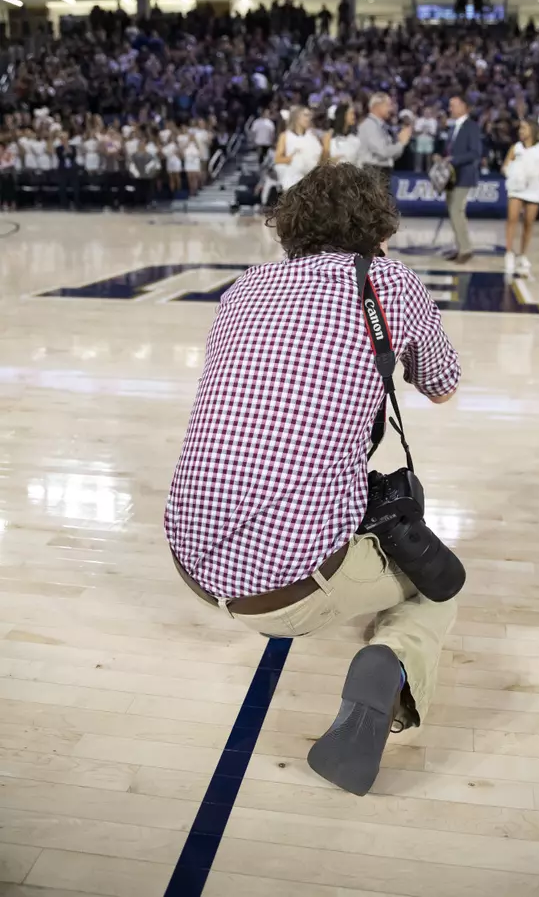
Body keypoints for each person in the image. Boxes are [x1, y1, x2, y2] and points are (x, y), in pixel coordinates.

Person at [166, 164, 461, 797]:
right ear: (377, 225)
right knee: (439, 582)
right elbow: (442, 386)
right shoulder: (390, 282)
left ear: (292, 226)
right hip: (286, 588)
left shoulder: (243, 289)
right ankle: (392, 663)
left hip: (191, 562)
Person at [502, 119, 539, 277]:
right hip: (516, 188)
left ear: (533, 130)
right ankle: (509, 253)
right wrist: (511, 170)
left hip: (533, 188)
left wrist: (537, 172)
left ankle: (523, 255)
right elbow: (504, 166)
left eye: (524, 128)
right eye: (520, 129)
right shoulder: (515, 148)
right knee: (512, 219)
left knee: (529, 222)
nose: (521, 131)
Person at [439, 93, 482, 265]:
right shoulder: (453, 126)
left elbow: (475, 153)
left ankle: (466, 249)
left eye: (454, 105)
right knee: (453, 211)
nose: (450, 108)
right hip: (451, 176)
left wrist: (454, 160)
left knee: (457, 211)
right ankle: (460, 247)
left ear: (464, 107)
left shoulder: (471, 126)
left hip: (464, 175)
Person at [357, 92, 412, 189]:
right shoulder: (370, 125)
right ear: (377, 106)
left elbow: (391, 156)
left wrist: (400, 144)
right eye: (388, 105)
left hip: (380, 172)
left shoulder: (382, 126)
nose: (391, 109)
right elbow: (382, 152)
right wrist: (401, 143)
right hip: (373, 172)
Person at [274, 105, 322, 191]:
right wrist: (294, 157)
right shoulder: (285, 136)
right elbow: (278, 159)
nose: (309, 118)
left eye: (310, 116)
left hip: (313, 181)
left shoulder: (313, 135)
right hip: (294, 183)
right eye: (305, 115)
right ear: (296, 117)